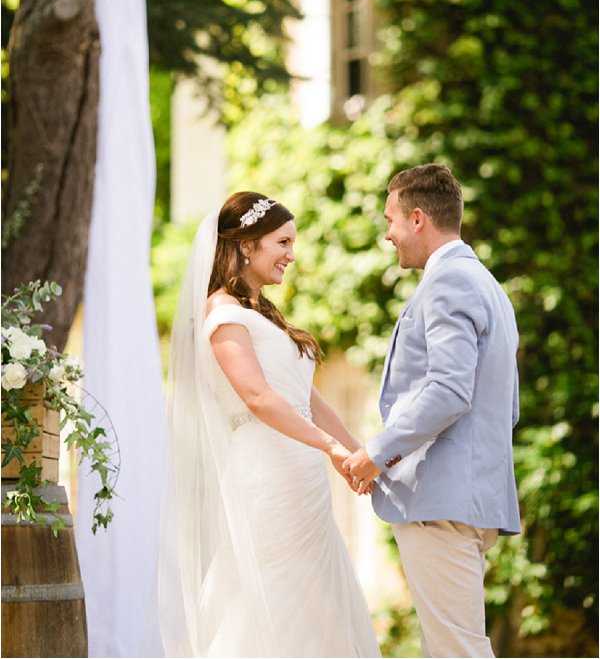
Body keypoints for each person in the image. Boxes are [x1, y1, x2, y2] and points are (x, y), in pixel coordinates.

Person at [158, 191, 380, 658]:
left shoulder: (264, 316)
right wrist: (328, 448)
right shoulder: (223, 316)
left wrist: (358, 453)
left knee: (314, 601)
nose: (291, 255)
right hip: (266, 476)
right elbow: (259, 398)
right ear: (246, 245)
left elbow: (310, 399)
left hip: (302, 481)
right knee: (267, 598)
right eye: (282, 242)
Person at [343, 164, 521, 659]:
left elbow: (447, 389)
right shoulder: (488, 285)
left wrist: (379, 451)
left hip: (441, 498)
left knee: (457, 649)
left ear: (417, 218)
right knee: (450, 645)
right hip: (467, 493)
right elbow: (504, 406)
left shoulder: (449, 283)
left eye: (391, 220)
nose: (388, 234)